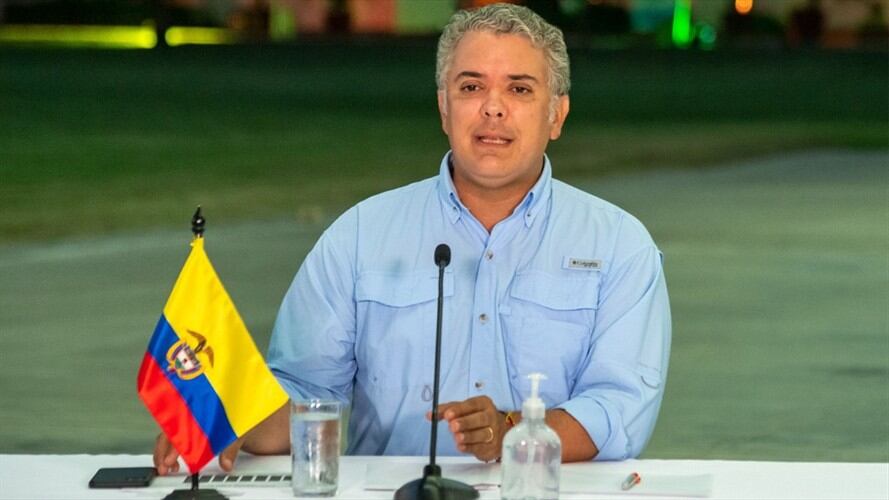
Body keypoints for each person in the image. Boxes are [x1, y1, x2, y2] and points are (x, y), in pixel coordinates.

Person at [154, 2, 670, 474]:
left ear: (556, 114)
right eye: (471, 87)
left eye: (519, 89)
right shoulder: (361, 235)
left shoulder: (619, 245)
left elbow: (619, 408)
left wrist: (511, 432)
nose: (493, 108)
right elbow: (308, 394)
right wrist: (229, 416)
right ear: (444, 107)